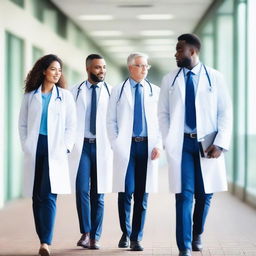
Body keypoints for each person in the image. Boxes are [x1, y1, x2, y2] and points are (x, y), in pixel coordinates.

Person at [158, 33, 232, 256]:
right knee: (183, 194)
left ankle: (197, 231)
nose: (176, 53)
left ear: (193, 51)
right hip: (181, 145)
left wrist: (220, 143)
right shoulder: (169, 79)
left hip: (207, 145)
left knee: (205, 193)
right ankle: (185, 247)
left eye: (180, 49)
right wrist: (169, 139)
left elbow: (225, 113)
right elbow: (163, 113)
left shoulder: (215, 77)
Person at [18, 54, 76, 256]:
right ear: (43, 70)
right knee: (37, 196)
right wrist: (26, 145)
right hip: (36, 147)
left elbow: (72, 126)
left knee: (49, 195)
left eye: (59, 70)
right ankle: (42, 237)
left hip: (56, 149)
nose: (57, 73)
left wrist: (66, 147)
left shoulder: (65, 96)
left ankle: (45, 242)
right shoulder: (30, 96)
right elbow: (22, 124)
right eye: (53, 69)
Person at [107, 52, 161, 251]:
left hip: (147, 147)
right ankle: (126, 232)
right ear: (130, 67)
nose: (144, 69)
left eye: (147, 66)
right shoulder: (118, 90)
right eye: (140, 65)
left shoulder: (155, 91)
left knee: (142, 194)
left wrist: (159, 145)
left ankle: (137, 237)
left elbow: (162, 121)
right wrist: (116, 143)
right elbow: (110, 120)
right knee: (125, 191)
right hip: (126, 147)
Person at [69, 54, 113, 250]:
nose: (101, 71)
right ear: (87, 69)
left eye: (103, 67)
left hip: (102, 146)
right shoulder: (74, 92)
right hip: (82, 146)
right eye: (97, 68)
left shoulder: (113, 92)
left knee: (99, 192)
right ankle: (85, 233)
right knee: (81, 190)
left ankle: (95, 236)